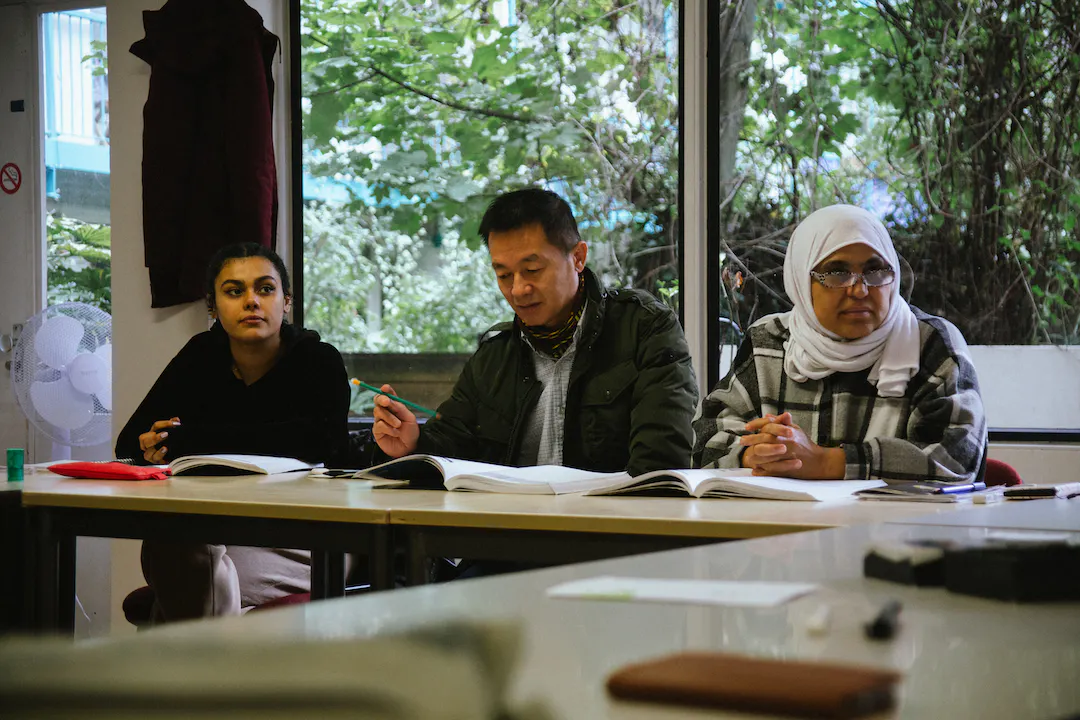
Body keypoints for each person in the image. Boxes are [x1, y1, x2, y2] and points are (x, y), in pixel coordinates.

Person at [373, 187, 699, 480]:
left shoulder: (643, 328)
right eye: (503, 275)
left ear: (578, 258)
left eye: (532, 270)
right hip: (505, 537)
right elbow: (452, 448)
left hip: (612, 533)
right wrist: (412, 443)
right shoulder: (495, 356)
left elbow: (660, 465)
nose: (517, 289)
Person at [115, 243, 350, 622]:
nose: (251, 301)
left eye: (265, 289)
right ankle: (217, 670)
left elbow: (318, 442)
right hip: (217, 529)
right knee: (175, 548)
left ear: (286, 302)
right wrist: (152, 445)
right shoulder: (200, 356)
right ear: (213, 306)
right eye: (234, 291)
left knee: (186, 585)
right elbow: (129, 443)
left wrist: (191, 440)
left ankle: (198, 672)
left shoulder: (317, 360)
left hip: (312, 535)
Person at [693, 204, 987, 482]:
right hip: (784, 527)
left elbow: (957, 459)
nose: (859, 290)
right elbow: (706, 437)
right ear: (800, 280)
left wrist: (825, 462)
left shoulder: (931, 344)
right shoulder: (769, 342)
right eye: (837, 273)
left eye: (875, 271)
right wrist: (756, 454)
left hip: (899, 532)